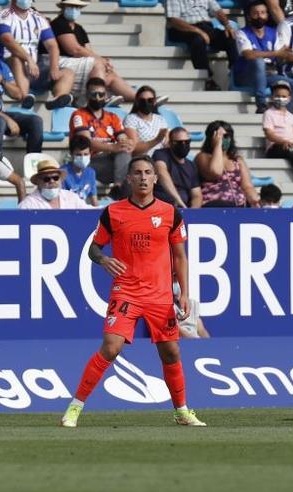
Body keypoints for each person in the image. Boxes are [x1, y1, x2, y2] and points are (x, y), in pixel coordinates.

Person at [60, 156, 205, 428]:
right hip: (126, 292)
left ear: (155, 178)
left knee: (171, 352)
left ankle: (182, 412)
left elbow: (180, 256)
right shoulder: (113, 212)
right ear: (129, 178)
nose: (142, 177)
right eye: (137, 173)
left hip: (160, 295)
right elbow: (94, 248)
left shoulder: (170, 213)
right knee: (111, 347)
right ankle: (74, 408)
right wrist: (103, 260)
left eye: (148, 172)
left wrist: (184, 293)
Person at [50, 0, 138, 102]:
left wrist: (104, 62)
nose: (74, 10)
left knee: (110, 75)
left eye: (77, 7)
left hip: (77, 65)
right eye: (71, 6)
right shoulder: (59, 23)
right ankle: (97, 100)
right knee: (97, 64)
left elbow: (88, 50)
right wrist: (100, 60)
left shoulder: (79, 28)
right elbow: (74, 49)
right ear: (63, 7)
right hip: (61, 63)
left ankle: (141, 100)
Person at [0, 0, 75, 110]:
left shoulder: (38, 17)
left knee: (67, 72)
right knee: (17, 59)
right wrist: (29, 59)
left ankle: (57, 99)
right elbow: (7, 40)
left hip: (33, 68)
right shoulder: (4, 15)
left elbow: (52, 45)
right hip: (8, 67)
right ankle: (24, 96)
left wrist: (54, 67)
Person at [233, 0, 293, 114]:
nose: (259, 16)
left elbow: (282, 54)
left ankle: (277, 113)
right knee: (259, 62)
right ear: (249, 16)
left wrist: (286, 55)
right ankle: (261, 105)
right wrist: (276, 54)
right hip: (247, 76)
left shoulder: (274, 32)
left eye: (262, 13)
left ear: (267, 15)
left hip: (268, 75)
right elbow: (249, 54)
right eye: (255, 13)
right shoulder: (242, 33)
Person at [70, 77, 134, 195]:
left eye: (101, 94)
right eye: (94, 94)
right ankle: (120, 192)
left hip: (113, 162)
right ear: (87, 95)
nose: (98, 98)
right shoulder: (79, 115)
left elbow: (122, 139)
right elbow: (86, 142)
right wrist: (113, 147)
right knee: (130, 172)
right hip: (88, 161)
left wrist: (125, 144)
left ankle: (118, 188)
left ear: (106, 95)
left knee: (135, 165)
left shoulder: (113, 117)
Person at [165, 0, 237, 91]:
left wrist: (227, 25)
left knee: (229, 37)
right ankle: (207, 79)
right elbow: (173, 20)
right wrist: (198, 31)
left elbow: (217, 10)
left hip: (205, 27)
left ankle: (236, 73)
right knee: (198, 40)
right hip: (182, 29)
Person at [197, 120, 260, 207]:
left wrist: (255, 200)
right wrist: (217, 145)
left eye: (226, 136)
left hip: (238, 205)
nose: (222, 139)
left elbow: (247, 186)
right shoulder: (202, 157)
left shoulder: (237, 160)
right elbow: (215, 172)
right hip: (214, 204)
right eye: (219, 136)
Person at [152, 126, 201, 209]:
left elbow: (197, 195)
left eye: (187, 142)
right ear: (170, 143)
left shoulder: (191, 165)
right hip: (161, 207)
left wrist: (192, 212)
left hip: (184, 209)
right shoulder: (160, 154)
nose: (183, 145)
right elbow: (162, 173)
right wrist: (178, 200)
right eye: (179, 142)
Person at [19, 159, 92, 209]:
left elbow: (89, 211)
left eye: (55, 178)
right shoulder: (28, 205)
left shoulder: (72, 198)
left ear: (60, 179)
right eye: (46, 179)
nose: (51, 181)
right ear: (38, 182)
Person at [123, 85, 169, 157]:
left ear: (154, 102)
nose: (146, 103)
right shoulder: (131, 119)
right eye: (142, 100)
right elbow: (134, 149)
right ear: (137, 102)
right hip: (143, 160)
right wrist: (156, 140)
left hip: (161, 158)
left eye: (150, 100)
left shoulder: (160, 119)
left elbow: (166, 143)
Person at [61, 135, 98, 206]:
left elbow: (94, 201)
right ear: (71, 155)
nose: (83, 157)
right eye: (78, 155)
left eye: (86, 154)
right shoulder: (62, 172)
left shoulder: (91, 173)